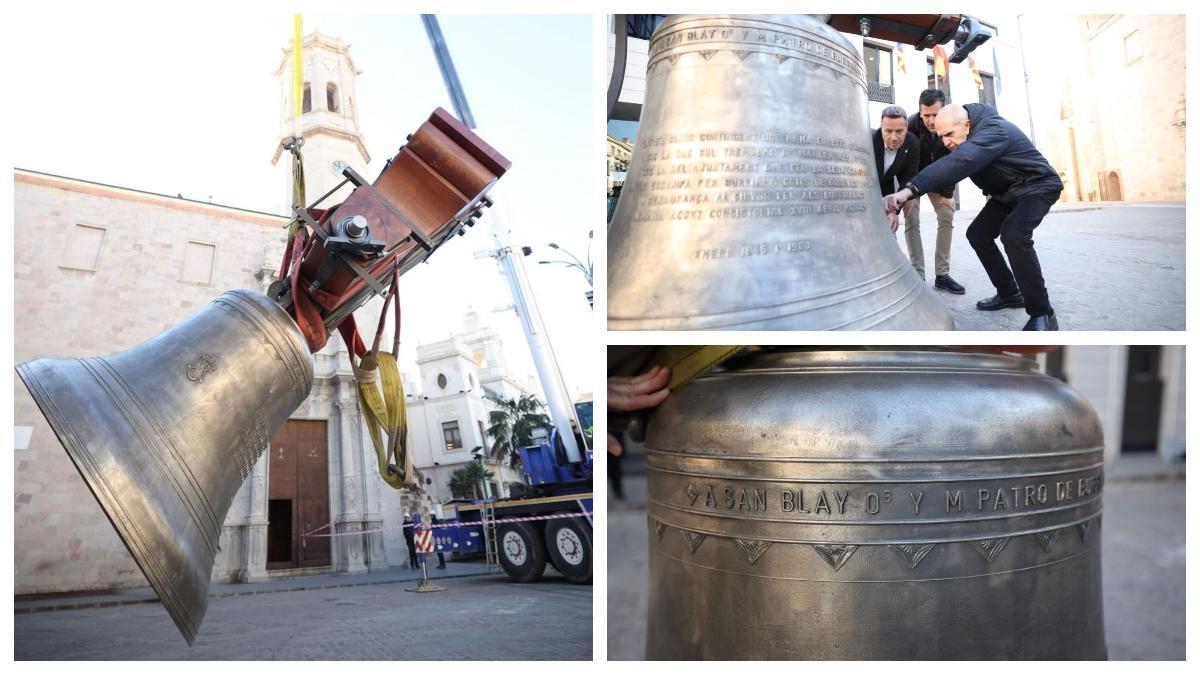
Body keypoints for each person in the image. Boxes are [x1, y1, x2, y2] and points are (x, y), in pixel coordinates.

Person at [886, 103, 1065, 331]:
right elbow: (945, 166)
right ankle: (1010, 292)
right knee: (978, 234)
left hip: (1037, 186)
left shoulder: (994, 130)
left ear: (967, 125)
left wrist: (908, 190)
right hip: (1006, 193)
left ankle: (1043, 313)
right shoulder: (961, 138)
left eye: (950, 134)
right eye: (941, 136)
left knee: (1014, 234)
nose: (946, 141)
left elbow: (962, 161)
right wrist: (906, 195)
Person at [905, 89, 966, 295]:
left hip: (939, 177)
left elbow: (955, 163)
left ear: (945, 110)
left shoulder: (952, 124)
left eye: (935, 115)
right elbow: (906, 164)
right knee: (911, 217)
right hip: (914, 177)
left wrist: (948, 195)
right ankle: (918, 274)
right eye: (926, 115)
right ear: (920, 112)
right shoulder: (911, 125)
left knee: (947, 214)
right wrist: (909, 195)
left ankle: (942, 274)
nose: (931, 120)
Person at [872, 105, 920, 239]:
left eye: (899, 131)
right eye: (888, 131)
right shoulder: (868, 140)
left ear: (906, 128)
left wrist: (893, 210)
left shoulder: (912, 143)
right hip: (865, 192)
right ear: (881, 128)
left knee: (889, 234)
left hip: (888, 190)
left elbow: (908, 178)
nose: (893, 137)